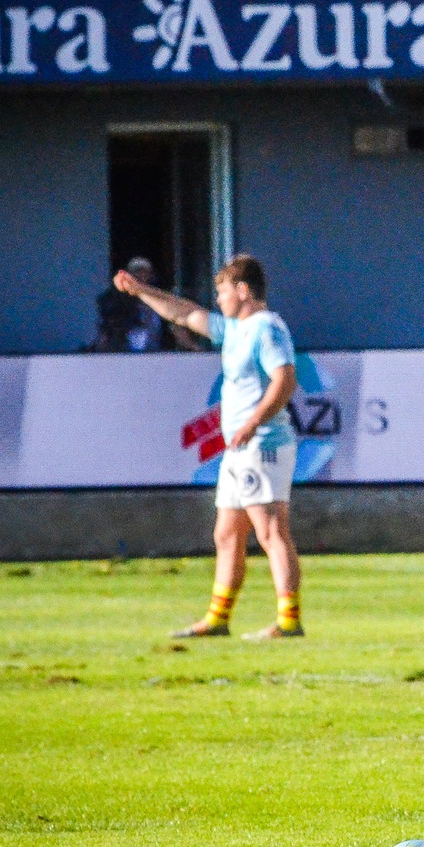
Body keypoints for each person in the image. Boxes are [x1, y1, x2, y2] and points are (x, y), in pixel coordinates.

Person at [113, 255, 305, 641]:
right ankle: (217, 619)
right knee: (227, 533)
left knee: (270, 531)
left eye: (222, 292)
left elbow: (284, 380)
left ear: (243, 290)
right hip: (239, 449)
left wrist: (253, 423)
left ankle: (289, 621)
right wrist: (141, 291)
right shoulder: (235, 328)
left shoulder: (267, 329)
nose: (217, 300)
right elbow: (184, 314)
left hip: (262, 444)